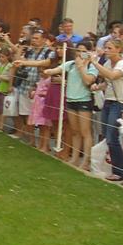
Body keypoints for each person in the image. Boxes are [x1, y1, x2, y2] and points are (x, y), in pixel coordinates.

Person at [43, 40, 99, 170]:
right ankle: (74, 158)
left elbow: (88, 81)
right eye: (78, 50)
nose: (80, 53)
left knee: (85, 132)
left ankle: (86, 161)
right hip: (71, 100)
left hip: (84, 100)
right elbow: (56, 70)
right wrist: (47, 71)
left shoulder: (92, 66)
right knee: (75, 131)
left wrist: (81, 67)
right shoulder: (71, 64)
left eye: (83, 51)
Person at [94, 38, 123, 182]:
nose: (106, 50)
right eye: (105, 48)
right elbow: (107, 81)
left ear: (119, 49)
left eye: (110, 48)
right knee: (107, 135)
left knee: (112, 137)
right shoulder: (107, 63)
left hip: (121, 103)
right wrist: (98, 87)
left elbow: (112, 75)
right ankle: (110, 166)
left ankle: (119, 171)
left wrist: (94, 62)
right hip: (109, 101)